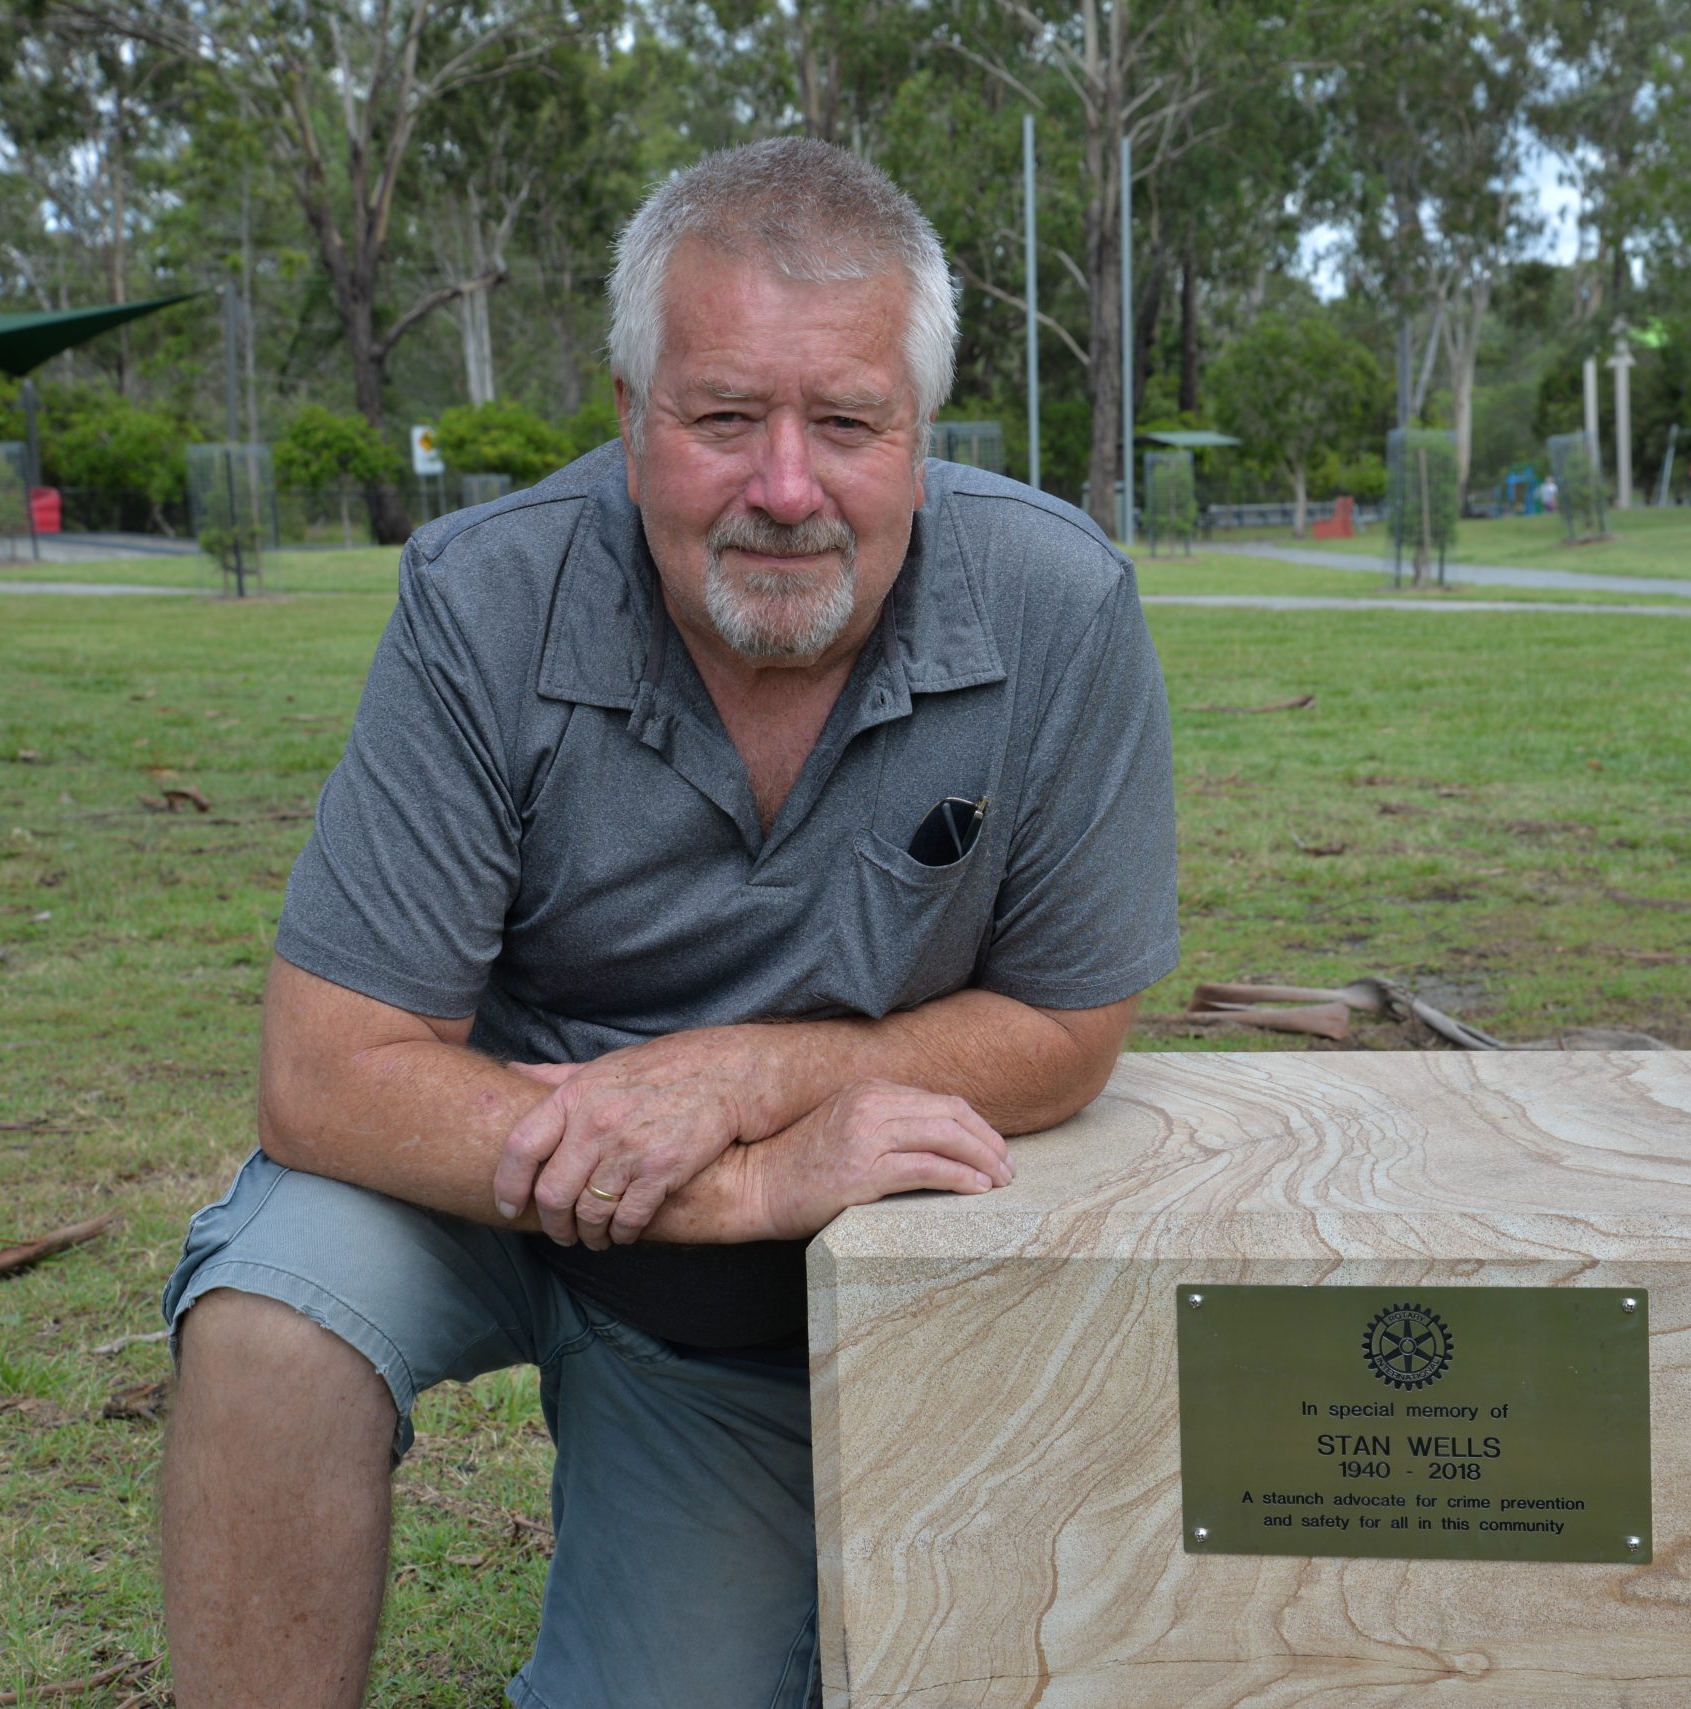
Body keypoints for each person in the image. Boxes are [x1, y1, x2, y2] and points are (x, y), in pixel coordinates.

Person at [156, 138, 1178, 1709]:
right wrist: (740, 1180)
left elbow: (1068, 1023)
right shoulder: (481, 597)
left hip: (750, 1323)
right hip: (489, 1176)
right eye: (721, 418)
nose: (785, 487)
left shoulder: (1059, 607)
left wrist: (745, 1080)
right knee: (266, 1317)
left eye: (844, 423)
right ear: (631, 421)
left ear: (917, 438)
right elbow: (328, 1069)